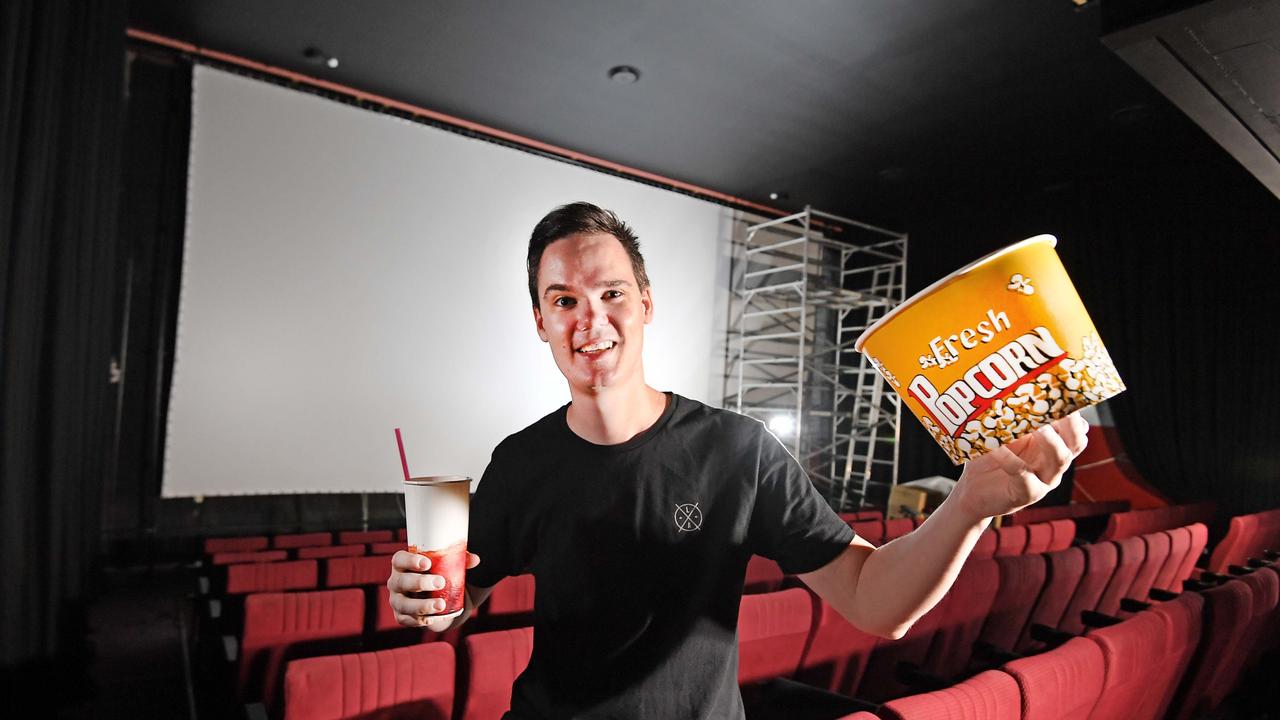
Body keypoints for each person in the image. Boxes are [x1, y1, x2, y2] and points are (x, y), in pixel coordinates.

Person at [387, 202, 1088, 718]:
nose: (590, 320)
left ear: (646, 304)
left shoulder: (736, 450)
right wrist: (424, 604)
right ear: (540, 322)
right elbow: (456, 606)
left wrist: (967, 507)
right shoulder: (518, 462)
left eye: (612, 294)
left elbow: (876, 603)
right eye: (563, 299)